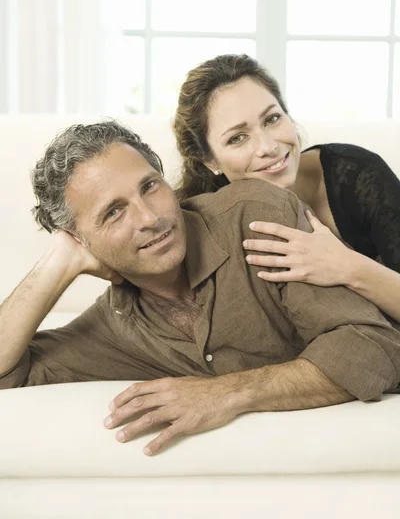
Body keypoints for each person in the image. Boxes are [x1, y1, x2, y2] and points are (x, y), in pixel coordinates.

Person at [1, 121, 399, 457]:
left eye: (150, 187)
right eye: (114, 212)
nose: (150, 218)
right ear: (80, 240)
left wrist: (225, 394)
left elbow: (373, 348)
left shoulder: (257, 217)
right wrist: (56, 265)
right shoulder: (113, 326)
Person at [173, 53, 400, 322]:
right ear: (209, 160)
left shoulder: (357, 175)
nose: (269, 147)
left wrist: (345, 266)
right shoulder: (202, 220)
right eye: (238, 138)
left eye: (271, 119)